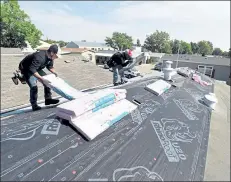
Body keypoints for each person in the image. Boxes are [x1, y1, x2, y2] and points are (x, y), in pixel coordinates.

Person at [18, 44, 61, 111]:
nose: (57, 57)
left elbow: (50, 67)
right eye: (57, 56)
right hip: (26, 68)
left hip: (36, 68)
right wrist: (41, 79)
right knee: (34, 87)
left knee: (48, 81)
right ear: (52, 53)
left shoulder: (50, 57)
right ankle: (34, 105)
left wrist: (55, 73)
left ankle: (48, 99)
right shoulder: (40, 57)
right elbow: (32, 69)